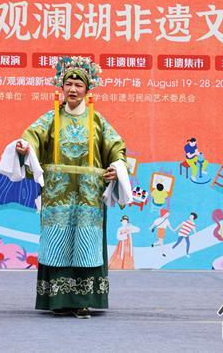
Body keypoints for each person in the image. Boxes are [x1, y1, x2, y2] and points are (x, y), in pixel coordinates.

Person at [11, 56, 132, 319]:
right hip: (58, 195)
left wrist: (117, 166)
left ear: (87, 90)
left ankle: (82, 301)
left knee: (86, 245)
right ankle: (58, 300)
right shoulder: (51, 119)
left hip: (88, 196)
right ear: (62, 87)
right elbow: (32, 137)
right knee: (57, 242)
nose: (73, 89)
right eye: (69, 84)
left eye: (79, 85)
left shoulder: (97, 121)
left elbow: (116, 148)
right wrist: (24, 147)